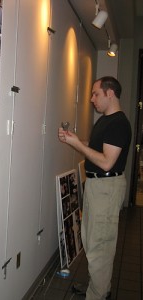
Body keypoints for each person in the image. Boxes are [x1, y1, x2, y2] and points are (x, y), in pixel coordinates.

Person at [58, 76, 132, 300]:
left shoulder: (119, 123)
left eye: (95, 94)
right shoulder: (105, 120)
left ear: (110, 94)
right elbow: (96, 148)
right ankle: (99, 286)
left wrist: (77, 145)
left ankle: (97, 294)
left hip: (106, 188)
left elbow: (107, 161)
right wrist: (77, 139)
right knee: (92, 239)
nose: (91, 99)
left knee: (99, 245)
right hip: (97, 186)